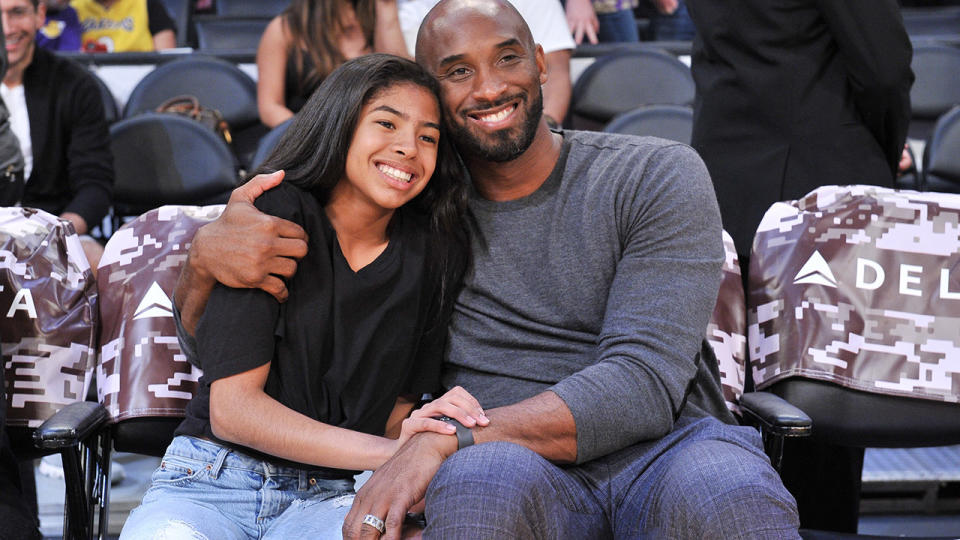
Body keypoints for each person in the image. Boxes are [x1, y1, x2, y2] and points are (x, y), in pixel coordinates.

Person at [175, 1, 802, 538]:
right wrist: (202, 263)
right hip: (500, 458)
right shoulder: (411, 209)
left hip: (667, 447)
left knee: (732, 491)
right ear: (432, 97)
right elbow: (257, 347)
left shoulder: (654, 174)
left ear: (540, 61)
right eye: (456, 72)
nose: (488, 88)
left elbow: (641, 383)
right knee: (481, 493)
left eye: (507, 58)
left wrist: (443, 440)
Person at [120, 53, 487, 539]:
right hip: (211, 480)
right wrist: (406, 453)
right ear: (341, 124)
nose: (408, 148)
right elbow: (234, 413)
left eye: (428, 137)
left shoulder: (435, 250)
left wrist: (424, 431)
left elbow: (390, 417)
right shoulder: (274, 215)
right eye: (386, 123)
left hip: (335, 493)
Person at [685, 0, 913, 531]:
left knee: (735, 408)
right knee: (826, 413)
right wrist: (877, 149)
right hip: (821, 200)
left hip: (725, 186)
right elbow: (884, 68)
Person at [0, 0, 113, 271]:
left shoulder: (76, 85)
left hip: (55, 228)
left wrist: (56, 235)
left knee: (100, 263)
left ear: (40, 15)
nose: (5, 28)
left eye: (17, 12)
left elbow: (94, 183)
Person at [398, 0, 573, 126]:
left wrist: (550, 122)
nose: (490, 92)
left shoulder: (599, 170)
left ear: (539, 64)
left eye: (507, 59)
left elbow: (557, 69)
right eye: (460, 71)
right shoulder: (408, 10)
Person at [257, 0, 409, 128]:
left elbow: (401, 77)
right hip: (305, 137)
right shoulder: (286, 28)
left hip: (366, 136)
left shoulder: (379, 22)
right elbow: (270, 108)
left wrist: (387, 6)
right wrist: (310, 138)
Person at [71, 0, 175, 52]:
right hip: (88, 79)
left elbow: (166, 58)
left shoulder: (148, 3)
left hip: (139, 76)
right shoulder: (71, 7)